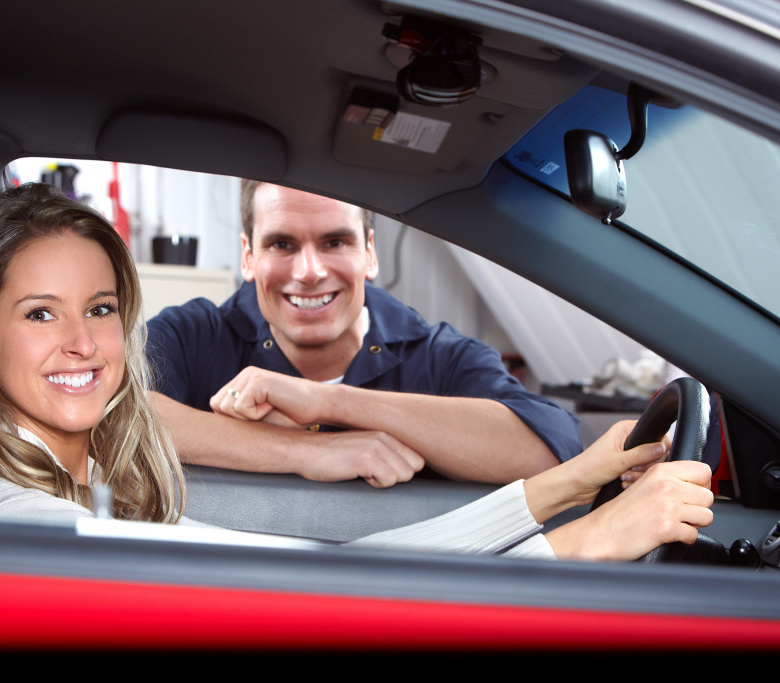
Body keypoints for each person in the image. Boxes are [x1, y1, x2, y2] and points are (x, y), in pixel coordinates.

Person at [0, 183, 714, 562]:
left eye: (99, 309)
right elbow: (335, 594)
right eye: (38, 313)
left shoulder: (84, 485)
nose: (83, 343)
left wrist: (572, 486)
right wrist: (588, 542)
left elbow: (332, 574)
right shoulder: (31, 530)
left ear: (371, 252)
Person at [145, 181, 581, 487]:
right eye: (282, 244)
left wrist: (327, 402)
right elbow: (110, 411)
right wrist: (304, 451)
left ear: (369, 254)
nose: (310, 271)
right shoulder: (194, 335)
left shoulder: (439, 356)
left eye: (335, 242)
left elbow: (549, 446)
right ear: (248, 256)